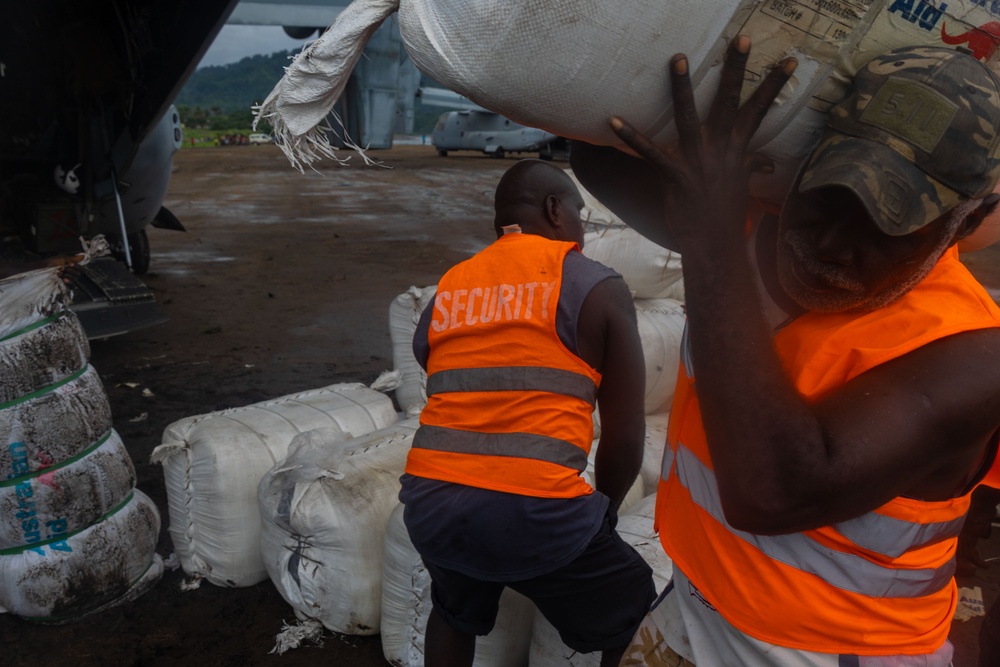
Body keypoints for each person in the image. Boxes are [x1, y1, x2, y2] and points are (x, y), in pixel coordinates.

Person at [570, 37, 1000, 665]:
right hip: (693, 607)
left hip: (824, 654)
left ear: (965, 223)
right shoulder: (750, 233)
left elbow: (774, 491)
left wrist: (710, 240)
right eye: (827, 195)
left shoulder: (972, 354)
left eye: (889, 225)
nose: (828, 245)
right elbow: (596, 149)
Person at [399, 159, 655, 667]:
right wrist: (602, 511)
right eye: (580, 215)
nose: (582, 230)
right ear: (555, 210)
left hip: (430, 502)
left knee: (454, 611)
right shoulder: (595, 286)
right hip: (536, 512)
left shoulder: (449, 286)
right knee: (636, 613)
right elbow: (626, 436)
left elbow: (431, 360)